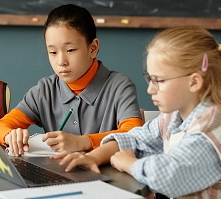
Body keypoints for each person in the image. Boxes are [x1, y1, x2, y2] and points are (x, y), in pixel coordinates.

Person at [58, 26, 221, 199]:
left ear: (194, 82)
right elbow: (138, 138)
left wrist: (130, 164)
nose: (150, 89)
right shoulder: (173, 116)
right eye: (150, 78)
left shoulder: (210, 131)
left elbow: (168, 176)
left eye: (159, 80)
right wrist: (94, 157)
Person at [0, 4, 143, 156]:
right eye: (53, 52)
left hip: (107, 176)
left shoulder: (119, 86)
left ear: (93, 48)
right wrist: (10, 136)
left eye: (70, 50)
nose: (61, 61)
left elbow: (132, 134)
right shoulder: (45, 90)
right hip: (59, 175)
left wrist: (82, 142)